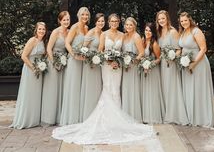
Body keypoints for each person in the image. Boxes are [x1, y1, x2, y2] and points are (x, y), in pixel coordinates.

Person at [52, 14, 162, 147]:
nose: (114, 23)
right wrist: (109, 60)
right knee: (108, 88)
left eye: (116, 21)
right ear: (109, 22)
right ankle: (106, 119)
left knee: (116, 90)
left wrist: (120, 61)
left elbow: (124, 52)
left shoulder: (123, 35)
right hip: (106, 66)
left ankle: (118, 119)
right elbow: (100, 50)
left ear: (118, 23)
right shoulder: (104, 34)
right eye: (112, 21)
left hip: (119, 67)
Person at [178, 12, 214, 128]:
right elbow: (182, 48)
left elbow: (203, 49)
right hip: (186, 65)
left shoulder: (196, 31)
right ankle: (191, 117)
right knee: (189, 90)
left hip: (198, 64)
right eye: (182, 21)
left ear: (190, 20)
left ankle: (202, 118)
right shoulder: (183, 32)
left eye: (185, 20)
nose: (184, 22)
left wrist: (194, 63)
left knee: (199, 90)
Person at [11, 22, 47, 129]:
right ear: (36, 30)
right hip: (30, 69)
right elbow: (24, 56)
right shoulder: (32, 40)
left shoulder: (43, 42)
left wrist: (41, 66)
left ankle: (34, 119)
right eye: (40, 29)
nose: (42, 31)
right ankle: (25, 120)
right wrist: (33, 68)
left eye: (43, 29)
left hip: (39, 71)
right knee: (28, 93)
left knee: (36, 95)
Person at [156, 10, 189, 125]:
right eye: (159, 19)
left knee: (172, 87)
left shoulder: (173, 31)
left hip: (171, 64)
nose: (161, 21)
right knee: (165, 87)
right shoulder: (159, 32)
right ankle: (167, 112)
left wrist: (173, 56)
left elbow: (179, 49)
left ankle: (175, 115)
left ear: (167, 19)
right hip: (163, 65)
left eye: (163, 18)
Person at [59, 7, 90, 125]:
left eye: (87, 15)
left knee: (81, 88)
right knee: (74, 87)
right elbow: (67, 43)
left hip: (83, 61)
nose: (85, 17)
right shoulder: (74, 27)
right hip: (74, 61)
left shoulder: (87, 28)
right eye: (83, 14)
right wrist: (74, 55)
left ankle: (80, 115)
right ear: (78, 15)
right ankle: (71, 117)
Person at [41, 11, 70, 125]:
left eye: (68, 19)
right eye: (64, 20)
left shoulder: (69, 32)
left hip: (63, 62)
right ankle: (49, 117)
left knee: (61, 89)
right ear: (60, 21)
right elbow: (48, 49)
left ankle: (59, 117)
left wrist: (63, 61)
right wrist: (54, 63)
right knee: (52, 90)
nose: (66, 22)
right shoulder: (55, 32)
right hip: (53, 61)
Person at [80, 13, 105, 122]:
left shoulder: (103, 33)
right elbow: (83, 49)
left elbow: (102, 50)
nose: (101, 23)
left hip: (99, 64)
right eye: (99, 21)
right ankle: (88, 115)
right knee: (90, 88)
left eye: (102, 21)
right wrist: (91, 58)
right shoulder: (91, 32)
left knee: (98, 88)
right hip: (90, 64)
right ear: (95, 22)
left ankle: (97, 114)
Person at [141, 22, 164, 124]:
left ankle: (153, 116)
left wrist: (150, 65)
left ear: (153, 32)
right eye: (146, 30)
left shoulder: (154, 44)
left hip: (152, 72)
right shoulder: (142, 41)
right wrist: (143, 64)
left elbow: (159, 59)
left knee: (152, 93)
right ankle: (145, 115)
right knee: (145, 92)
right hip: (144, 71)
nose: (148, 32)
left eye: (150, 30)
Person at [121, 17, 144, 121]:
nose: (128, 27)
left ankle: (134, 116)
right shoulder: (124, 36)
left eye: (131, 25)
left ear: (134, 26)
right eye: (127, 25)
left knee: (132, 89)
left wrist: (133, 61)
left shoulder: (136, 36)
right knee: (125, 89)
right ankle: (125, 114)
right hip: (124, 67)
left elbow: (141, 53)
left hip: (133, 67)